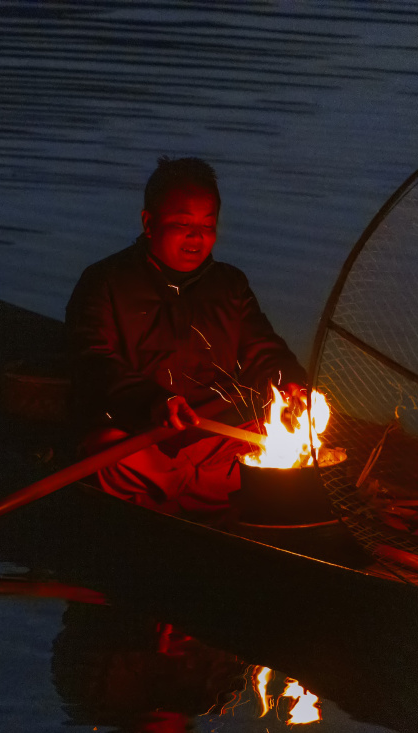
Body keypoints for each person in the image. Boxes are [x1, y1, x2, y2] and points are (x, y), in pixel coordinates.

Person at [65, 156, 308, 517]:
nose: (196, 237)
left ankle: (184, 492)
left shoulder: (229, 285)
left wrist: (291, 384)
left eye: (207, 226)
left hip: (213, 441)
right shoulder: (105, 282)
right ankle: (203, 495)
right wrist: (154, 401)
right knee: (107, 452)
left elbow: (263, 350)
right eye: (182, 224)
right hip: (139, 438)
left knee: (286, 444)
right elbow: (94, 362)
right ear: (149, 223)